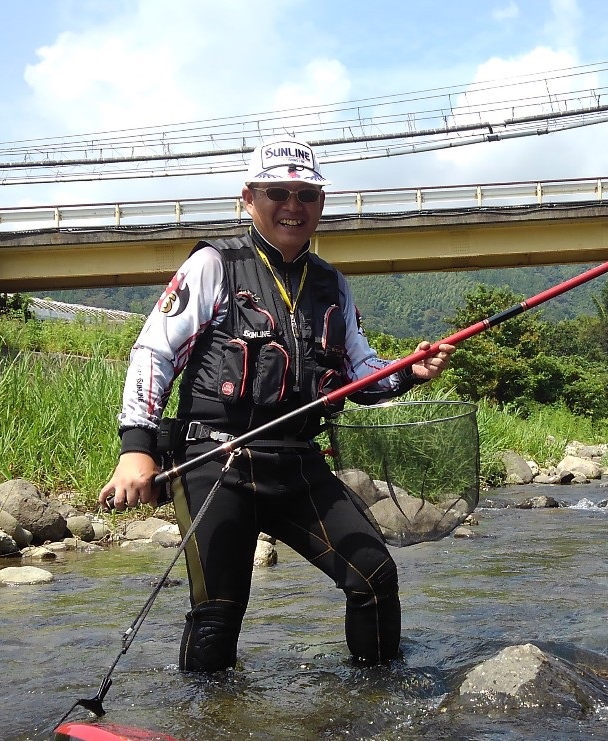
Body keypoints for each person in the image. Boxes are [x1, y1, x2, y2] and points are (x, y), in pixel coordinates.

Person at [99, 137, 454, 672]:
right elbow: (154, 351)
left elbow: (361, 376)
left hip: (297, 462)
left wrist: (408, 372)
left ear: (321, 204)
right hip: (217, 462)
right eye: (278, 192)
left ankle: (377, 706)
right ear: (249, 198)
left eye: (307, 194)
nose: (294, 205)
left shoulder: (334, 284)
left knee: (374, 576)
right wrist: (137, 451)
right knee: (217, 612)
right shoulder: (213, 265)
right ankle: (206, 723)